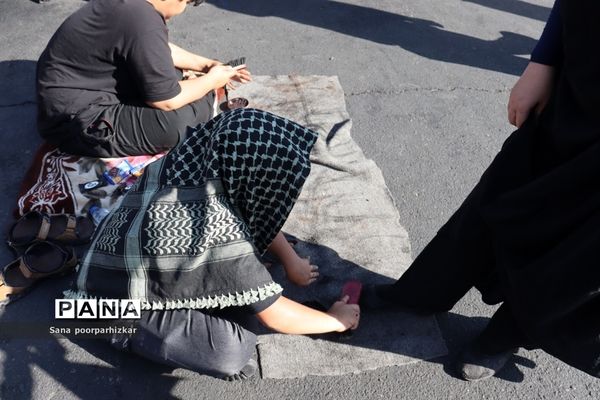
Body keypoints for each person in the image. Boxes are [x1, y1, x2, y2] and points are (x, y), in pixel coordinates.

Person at [362, 0, 599, 381]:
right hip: (584, 68)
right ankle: (422, 292)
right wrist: (543, 59)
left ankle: (510, 330)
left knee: (584, 247)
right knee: (506, 187)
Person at [64, 108, 360, 380]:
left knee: (248, 262)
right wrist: (335, 320)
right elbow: (274, 315)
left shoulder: (191, 162)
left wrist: (290, 259)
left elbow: (255, 212)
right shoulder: (223, 234)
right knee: (231, 349)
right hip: (103, 306)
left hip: (114, 260)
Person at [36, 0, 251, 157]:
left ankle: (199, 93)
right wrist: (211, 82)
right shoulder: (143, 19)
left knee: (171, 75)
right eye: (186, 2)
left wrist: (207, 65)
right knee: (177, 123)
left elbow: (155, 48)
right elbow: (167, 101)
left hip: (79, 91)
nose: (183, 9)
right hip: (75, 122)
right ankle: (206, 102)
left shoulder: (135, 8)